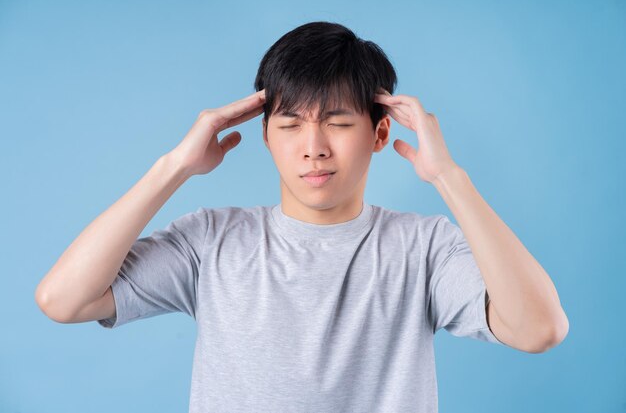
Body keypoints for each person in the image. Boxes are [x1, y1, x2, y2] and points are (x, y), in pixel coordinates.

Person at [35, 21, 568, 413]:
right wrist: (173, 168)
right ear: (266, 135)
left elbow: (539, 328)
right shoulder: (211, 240)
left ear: (380, 134)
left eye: (336, 122)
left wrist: (450, 178)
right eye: (290, 124)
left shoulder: (423, 248)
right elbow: (64, 299)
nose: (313, 147)